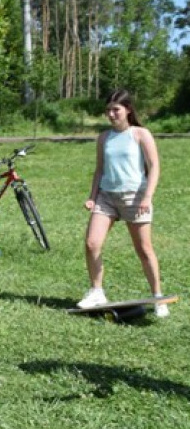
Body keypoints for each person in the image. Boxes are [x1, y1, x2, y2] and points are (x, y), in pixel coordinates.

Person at [78, 89, 167, 316]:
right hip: (107, 196)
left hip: (135, 197)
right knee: (91, 243)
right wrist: (92, 196)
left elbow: (154, 166)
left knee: (144, 249)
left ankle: (158, 297)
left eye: (115, 110)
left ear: (128, 110)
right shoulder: (104, 138)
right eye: (107, 110)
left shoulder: (140, 134)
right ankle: (97, 291)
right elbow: (100, 170)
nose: (111, 114)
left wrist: (147, 196)